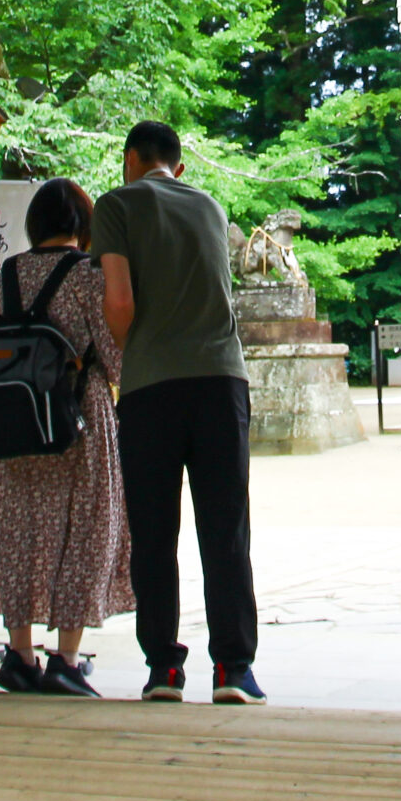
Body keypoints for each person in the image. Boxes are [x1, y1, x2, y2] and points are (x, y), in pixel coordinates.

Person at [93, 120, 265, 705]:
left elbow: (119, 300)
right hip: (222, 380)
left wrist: (132, 353)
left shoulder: (116, 204)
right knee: (225, 530)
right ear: (180, 168)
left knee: (154, 532)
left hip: (151, 387)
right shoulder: (212, 207)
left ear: (131, 158)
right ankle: (233, 671)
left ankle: (164, 669)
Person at [0, 178, 131, 697]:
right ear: (82, 225)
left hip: (16, 423)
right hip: (77, 419)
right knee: (87, 532)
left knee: (21, 534)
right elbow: (112, 358)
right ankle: (65, 660)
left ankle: (19, 654)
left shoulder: (10, 273)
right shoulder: (89, 273)